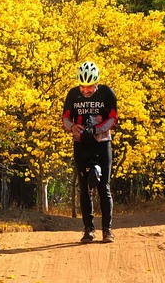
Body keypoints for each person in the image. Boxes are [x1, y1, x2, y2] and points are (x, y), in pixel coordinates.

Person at [61, 61, 118, 243]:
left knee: (104, 187)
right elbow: (65, 117)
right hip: (81, 144)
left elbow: (113, 118)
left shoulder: (107, 93)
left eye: (90, 87)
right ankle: (88, 230)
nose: (86, 91)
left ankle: (107, 230)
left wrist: (97, 130)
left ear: (96, 83)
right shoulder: (73, 94)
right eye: (83, 86)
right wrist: (72, 127)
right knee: (84, 188)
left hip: (102, 143)